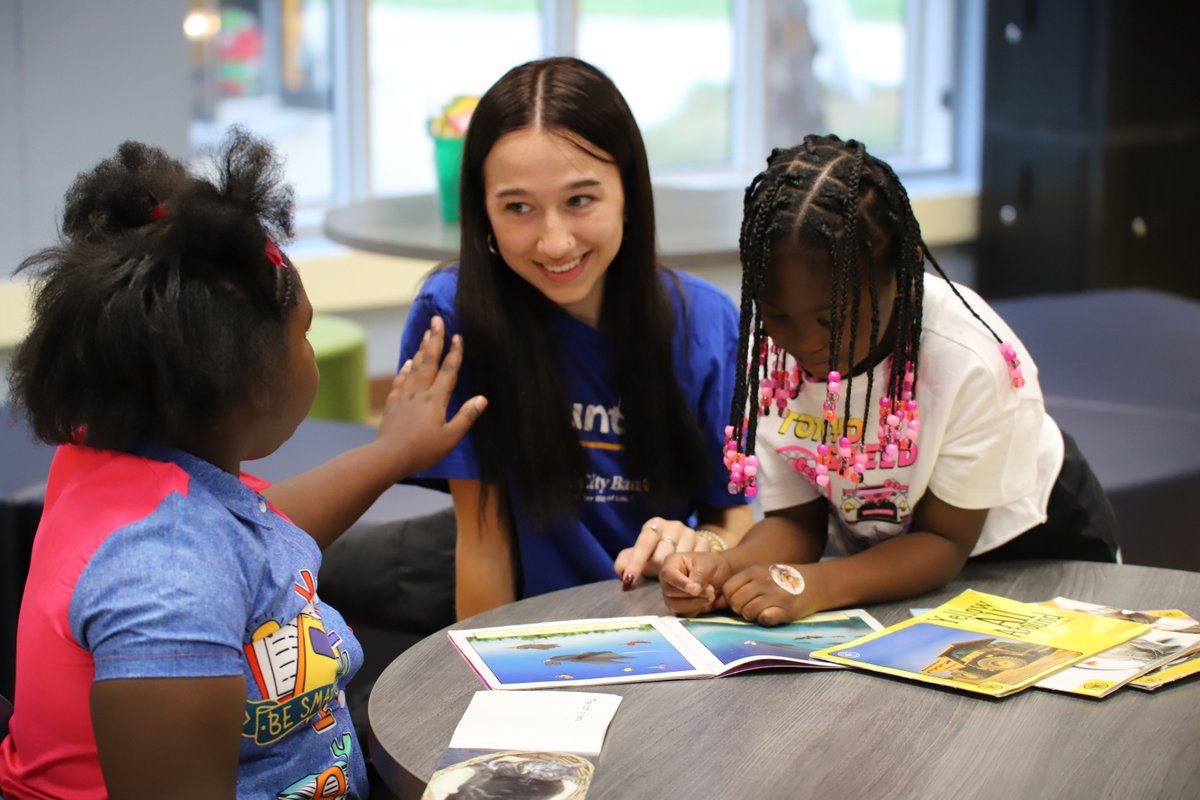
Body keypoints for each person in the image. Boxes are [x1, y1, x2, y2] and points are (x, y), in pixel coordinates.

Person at [0, 130, 483, 799]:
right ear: (253, 377)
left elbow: (251, 531)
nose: (309, 351)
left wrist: (391, 453)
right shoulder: (164, 576)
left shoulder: (130, 471)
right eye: (304, 333)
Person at [660, 135, 1118, 625]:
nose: (805, 342)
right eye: (778, 316)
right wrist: (723, 568)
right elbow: (797, 523)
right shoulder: (775, 361)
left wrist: (813, 585)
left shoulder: (969, 359)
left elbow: (944, 542)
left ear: (903, 274)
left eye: (830, 319)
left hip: (1032, 550)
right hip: (894, 561)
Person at [397, 57, 752, 619]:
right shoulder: (455, 314)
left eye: (580, 201)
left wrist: (703, 548)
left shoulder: (706, 323)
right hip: (530, 615)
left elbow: (733, 515)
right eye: (518, 208)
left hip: (664, 615)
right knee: (331, 569)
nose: (555, 243)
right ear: (482, 212)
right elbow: (483, 542)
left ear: (628, 194)